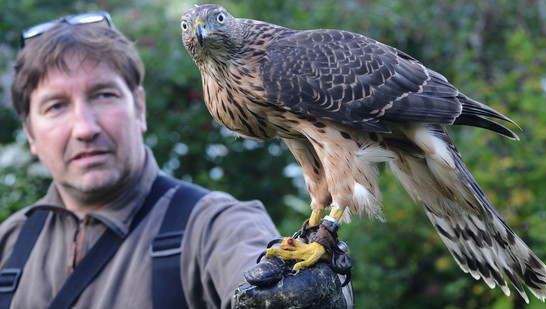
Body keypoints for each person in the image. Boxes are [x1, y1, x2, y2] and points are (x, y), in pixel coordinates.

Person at [0, 12, 351, 309]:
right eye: (56, 106)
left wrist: (297, 292)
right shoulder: (7, 245)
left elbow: (251, 259)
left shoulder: (216, 225)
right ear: (29, 132)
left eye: (103, 95)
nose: (85, 128)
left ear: (139, 108)